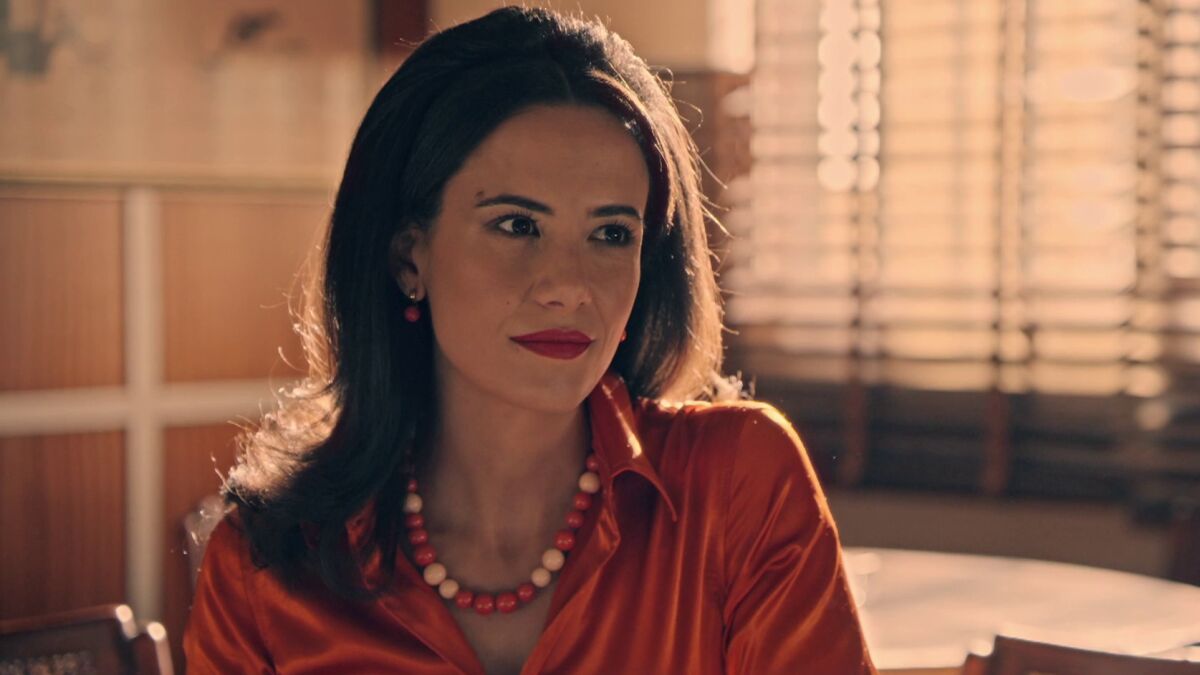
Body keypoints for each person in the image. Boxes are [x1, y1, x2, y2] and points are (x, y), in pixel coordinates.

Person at [184, 6, 876, 674]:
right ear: (408, 258)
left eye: (611, 234)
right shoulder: (264, 567)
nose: (569, 285)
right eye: (517, 225)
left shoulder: (738, 484)